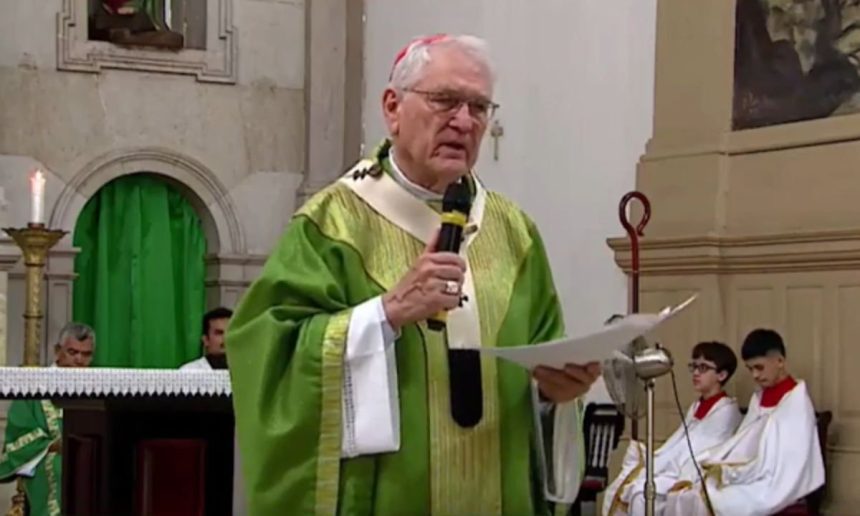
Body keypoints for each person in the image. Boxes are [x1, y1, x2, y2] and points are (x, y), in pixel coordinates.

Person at [226, 34, 601, 515]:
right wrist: (385, 314)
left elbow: (543, 357)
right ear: (392, 107)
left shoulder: (514, 232)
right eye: (445, 100)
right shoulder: (334, 222)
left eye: (479, 107)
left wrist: (555, 392)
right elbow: (266, 350)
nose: (463, 122)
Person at [663, 329, 825, 515]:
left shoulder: (796, 404)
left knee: (709, 499)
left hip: (775, 484)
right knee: (687, 493)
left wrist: (745, 471)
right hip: (753, 474)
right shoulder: (758, 398)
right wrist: (721, 463)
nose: (755, 375)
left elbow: (787, 463)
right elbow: (743, 443)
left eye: (759, 367)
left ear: (779, 361)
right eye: (750, 369)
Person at [602, 341, 742, 516]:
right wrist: (657, 460)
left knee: (642, 494)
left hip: (692, 473)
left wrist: (662, 465)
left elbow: (702, 449)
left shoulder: (726, 411)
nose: (696, 373)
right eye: (694, 366)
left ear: (721, 375)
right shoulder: (697, 406)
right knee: (636, 486)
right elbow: (678, 441)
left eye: (704, 368)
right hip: (675, 468)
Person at [0, 323, 95, 516]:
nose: (79, 360)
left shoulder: (97, 387)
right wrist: (52, 445)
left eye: (86, 355)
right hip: (49, 461)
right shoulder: (35, 386)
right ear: (57, 351)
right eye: (72, 352)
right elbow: (19, 435)